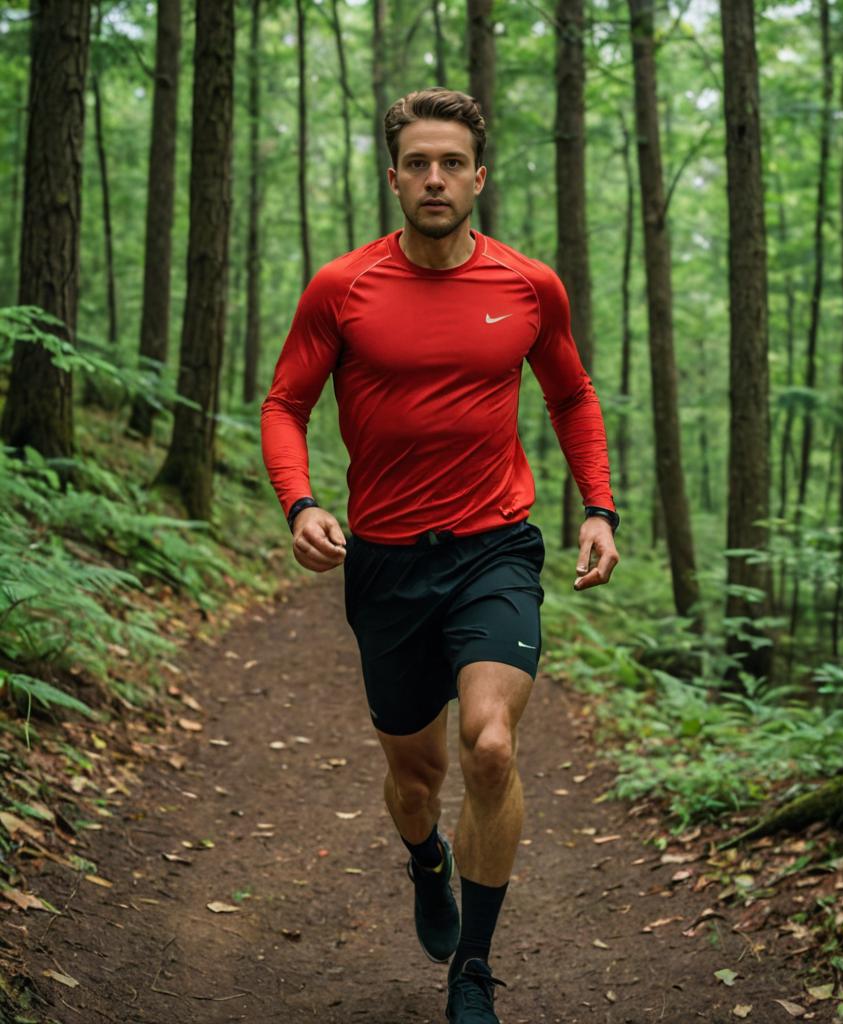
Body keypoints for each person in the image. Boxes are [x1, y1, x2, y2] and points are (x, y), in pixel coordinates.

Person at [260, 87, 619, 1024]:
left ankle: (474, 970)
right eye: (417, 163)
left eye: (451, 163)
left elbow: (572, 398)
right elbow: (284, 405)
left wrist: (599, 508)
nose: (434, 179)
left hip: (494, 546)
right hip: (384, 562)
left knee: (490, 746)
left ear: (478, 177)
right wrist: (299, 502)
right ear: (393, 177)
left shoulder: (528, 286)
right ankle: (427, 860)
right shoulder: (341, 288)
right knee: (415, 776)